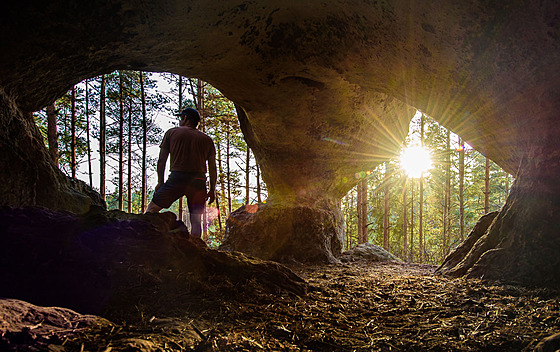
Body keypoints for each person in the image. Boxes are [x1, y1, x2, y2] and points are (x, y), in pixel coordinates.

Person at [146, 108, 217, 238]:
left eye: (180, 117)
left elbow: (162, 160)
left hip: (177, 178)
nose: (179, 120)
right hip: (198, 181)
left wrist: (160, 182)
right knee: (196, 221)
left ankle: (150, 241)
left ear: (184, 118)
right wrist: (212, 189)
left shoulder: (172, 133)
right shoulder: (207, 139)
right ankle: (196, 252)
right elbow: (212, 168)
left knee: (152, 209)